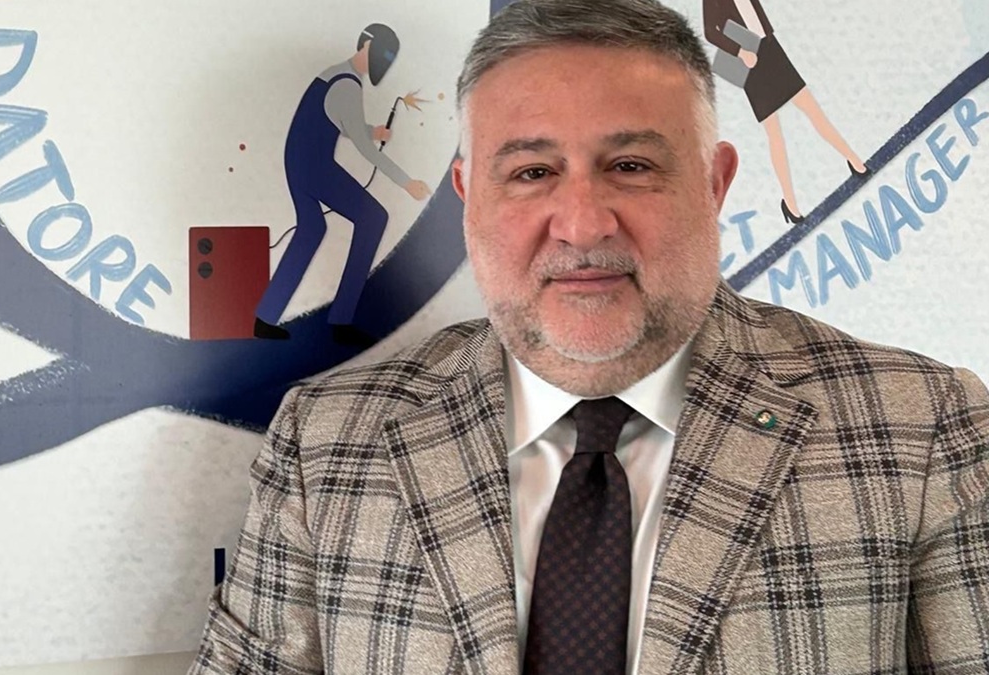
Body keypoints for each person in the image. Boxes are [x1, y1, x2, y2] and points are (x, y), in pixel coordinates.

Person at [191, 1, 989, 673]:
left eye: (632, 165)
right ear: (469, 197)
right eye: (532, 172)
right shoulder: (324, 444)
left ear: (714, 183)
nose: (581, 223)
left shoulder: (923, 428)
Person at [254, 23, 432, 346]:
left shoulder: (337, 75)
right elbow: (363, 148)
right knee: (373, 218)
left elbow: (343, 123)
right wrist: (406, 183)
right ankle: (341, 320)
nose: (384, 64)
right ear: (367, 46)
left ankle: (265, 317)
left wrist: (373, 131)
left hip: (299, 163)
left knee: (311, 230)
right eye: (383, 56)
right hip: (314, 167)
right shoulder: (347, 85)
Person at [702, 0, 867, 224]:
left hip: (770, 49)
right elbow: (711, 32)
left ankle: (854, 160)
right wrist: (740, 52)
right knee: (775, 133)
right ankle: (790, 203)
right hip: (750, 61)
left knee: (812, 109)